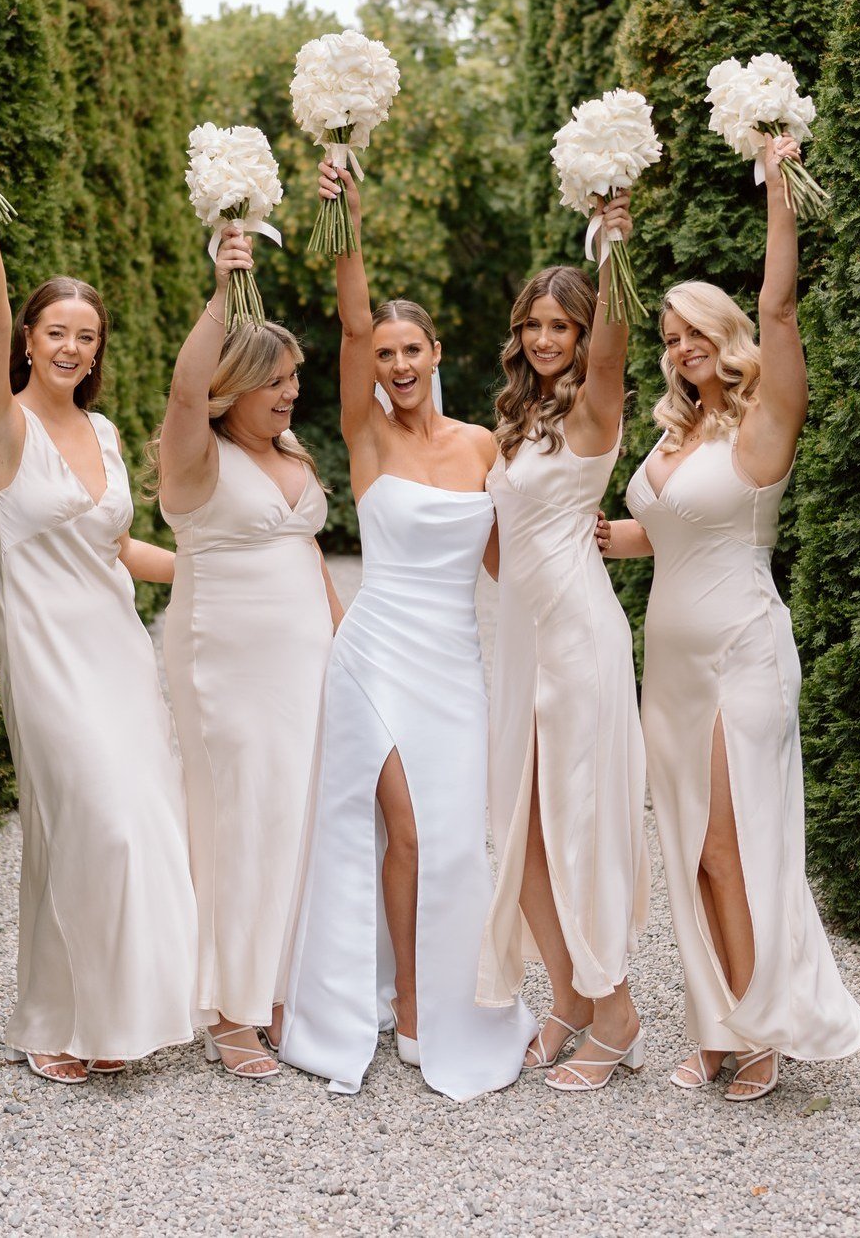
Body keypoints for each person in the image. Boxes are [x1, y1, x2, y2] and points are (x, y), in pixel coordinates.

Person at [598, 134, 860, 1100]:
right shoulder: (674, 442)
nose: (679, 350)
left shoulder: (766, 422)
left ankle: (761, 1028)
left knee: (731, 843)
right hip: (665, 667)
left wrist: (780, 193)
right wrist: (578, 533)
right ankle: (720, 1025)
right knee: (692, 852)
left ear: (728, 342)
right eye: (670, 338)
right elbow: (657, 538)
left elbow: (781, 306)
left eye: (694, 335)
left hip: (740, 654)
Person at [279, 160, 533, 1100]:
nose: (395, 365)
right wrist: (348, 215)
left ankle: (448, 992)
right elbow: (347, 321)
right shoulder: (366, 436)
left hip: (453, 664)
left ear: (436, 353)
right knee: (407, 834)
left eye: (409, 351)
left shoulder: (481, 447)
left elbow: (509, 561)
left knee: (457, 842)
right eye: (384, 353)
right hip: (376, 653)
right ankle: (412, 1008)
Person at [0, 148, 200, 1085]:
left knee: (143, 820)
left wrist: (223, 574)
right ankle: (63, 1010)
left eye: (86, 337)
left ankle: (84, 1014)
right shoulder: (0, 427)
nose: (70, 348)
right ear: (27, 339)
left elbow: (115, 548)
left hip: (119, 654)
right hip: (47, 659)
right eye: (55, 331)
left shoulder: (99, 431)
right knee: (98, 824)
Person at [156, 225, 340, 1080]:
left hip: (303, 666)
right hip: (224, 662)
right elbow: (183, 392)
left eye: (294, 377)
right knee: (237, 817)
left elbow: (307, 555)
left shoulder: (290, 452)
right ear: (230, 390)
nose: (290, 392)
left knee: (294, 815)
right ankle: (230, 1012)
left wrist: (345, 643)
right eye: (272, 381)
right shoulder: (196, 458)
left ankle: (272, 989)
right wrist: (222, 292)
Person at [477, 197, 652, 1092]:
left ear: (585, 335)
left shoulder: (592, 410)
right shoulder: (516, 418)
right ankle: (570, 996)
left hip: (578, 636)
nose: (546, 338)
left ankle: (615, 1006)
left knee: (574, 823)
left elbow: (617, 348)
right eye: (535, 324)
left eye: (563, 325)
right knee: (523, 835)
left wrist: (612, 244)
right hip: (518, 638)